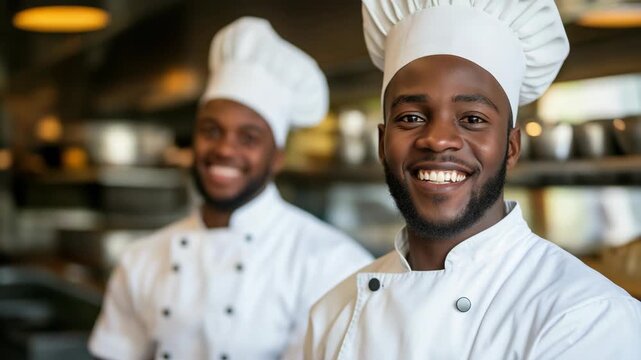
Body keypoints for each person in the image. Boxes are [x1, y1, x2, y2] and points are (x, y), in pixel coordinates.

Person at [304, 0, 641, 359]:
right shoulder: (332, 314)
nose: (438, 139)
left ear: (511, 147)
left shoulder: (585, 320)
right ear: (382, 143)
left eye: (473, 119)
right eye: (412, 117)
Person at [89, 16, 372, 360]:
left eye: (248, 137)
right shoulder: (142, 259)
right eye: (211, 130)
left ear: (277, 157)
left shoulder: (332, 264)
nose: (224, 149)